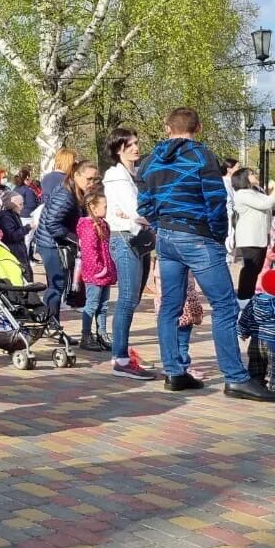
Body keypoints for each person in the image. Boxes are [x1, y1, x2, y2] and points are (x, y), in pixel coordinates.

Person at [139, 107, 275, 401]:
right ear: (199, 128)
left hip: (166, 237)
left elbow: (143, 205)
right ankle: (236, 377)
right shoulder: (201, 156)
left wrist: (161, 225)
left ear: (167, 127)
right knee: (225, 306)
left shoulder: (150, 161)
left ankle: (174, 373)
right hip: (197, 236)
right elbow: (216, 202)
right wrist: (216, 234)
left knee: (170, 306)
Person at [102, 127, 154, 377]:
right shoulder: (116, 176)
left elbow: (141, 209)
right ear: (118, 149)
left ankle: (124, 353)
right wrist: (147, 214)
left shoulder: (134, 174)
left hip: (138, 238)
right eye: (129, 144)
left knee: (132, 299)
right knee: (127, 299)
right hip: (125, 239)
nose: (136, 147)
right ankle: (120, 359)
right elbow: (138, 211)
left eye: (136, 142)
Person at [32, 160, 98, 339]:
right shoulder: (65, 194)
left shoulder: (76, 192)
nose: (92, 183)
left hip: (56, 242)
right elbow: (52, 223)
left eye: (95, 180)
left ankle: (50, 324)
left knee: (59, 285)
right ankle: (50, 325)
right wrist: (78, 240)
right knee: (57, 284)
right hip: (50, 243)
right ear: (76, 175)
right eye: (89, 179)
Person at [231, 167, 275, 305]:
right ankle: (243, 298)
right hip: (250, 237)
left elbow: (270, 203)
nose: (255, 175)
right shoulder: (242, 193)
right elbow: (265, 203)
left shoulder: (256, 191)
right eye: (251, 174)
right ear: (244, 178)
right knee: (250, 268)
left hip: (260, 236)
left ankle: (249, 296)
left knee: (256, 269)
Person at [76, 190, 116, 354]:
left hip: (105, 272)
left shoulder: (102, 224)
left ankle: (102, 333)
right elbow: (90, 251)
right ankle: (86, 335)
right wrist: (100, 268)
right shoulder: (88, 226)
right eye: (104, 206)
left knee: (104, 306)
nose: (107, 209)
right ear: (93, 207)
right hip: (95, 273)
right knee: (92, 304)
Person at [239, 269, 275, 392]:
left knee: (256, 364)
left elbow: (246, 316)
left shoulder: (255, 300)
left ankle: (255, 383)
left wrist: (243, 331)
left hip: (256, 340)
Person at [0, 191, 32, 280]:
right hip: (14, 251)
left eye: (23, 204)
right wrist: (28, 227)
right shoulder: (6, 217)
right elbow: (12, 235)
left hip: (17, 250)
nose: (22, 207)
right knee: (22, 278)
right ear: (12, 204)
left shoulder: (12, 214)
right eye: (20, 204)